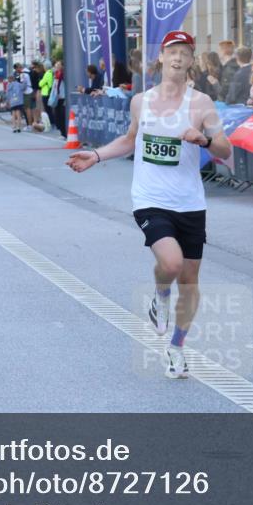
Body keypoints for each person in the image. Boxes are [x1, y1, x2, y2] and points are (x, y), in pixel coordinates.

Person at [66, 30, 232, 379]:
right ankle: (159, 295)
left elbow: (224, 149)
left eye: (185, 53)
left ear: (191, 60)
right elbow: (129, 140)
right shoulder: (140, 101)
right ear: (161, 57)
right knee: (170, 264)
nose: (177, 58)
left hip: (189, 202)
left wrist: (203, 139)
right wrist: (95, 155)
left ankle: (177, 347)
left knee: (189, 279)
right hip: (150, 199)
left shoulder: (201, 104)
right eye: (172, 51)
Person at [7, 67, 26, 133]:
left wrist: (8, 102)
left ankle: (14, 127)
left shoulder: (8, 86)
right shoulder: (18, 84)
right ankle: (19, 127)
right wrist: (23, 80)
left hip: (12, 102)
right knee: (18, 114)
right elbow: (24, 87)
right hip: (19, 101)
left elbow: (8, 94)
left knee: (13, 114)